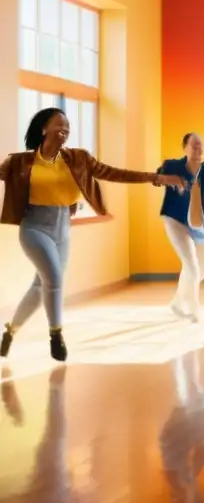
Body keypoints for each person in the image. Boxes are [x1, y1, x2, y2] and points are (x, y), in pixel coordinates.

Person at [0, 108, 185, 361]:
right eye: (59, 124)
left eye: (68, 125)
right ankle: (56, 335)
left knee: (40, 285)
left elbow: (116, 173)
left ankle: (10, 331)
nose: (65, 129)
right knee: (53, 278)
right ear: (43, 129)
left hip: (62, 226)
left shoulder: (79, 159)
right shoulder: (20, 162)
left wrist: (156, 177)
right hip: (33, 227)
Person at [157, 132, 204, 322]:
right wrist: (168, 180)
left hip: (200, 224)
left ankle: (176, 302)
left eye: (201, 146)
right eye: (194, 145)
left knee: (202, 269)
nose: (198, 149)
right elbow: (156, 179)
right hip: (176, 220)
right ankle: (194, 308)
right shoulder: (171, 166)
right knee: (192, 265)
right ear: (185, 148)